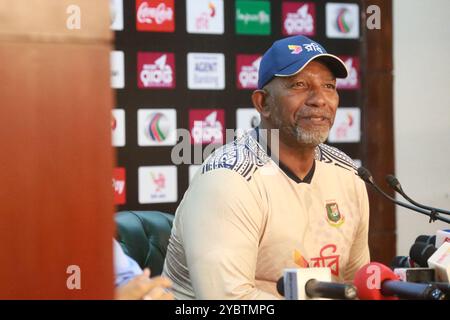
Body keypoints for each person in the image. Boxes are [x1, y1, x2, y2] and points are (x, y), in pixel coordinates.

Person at [162, 35, 370, 299]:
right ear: (263, 103)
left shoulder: (348, 174)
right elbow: (229, 302)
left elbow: (355, 284)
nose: (319, 99)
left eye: (329, 86)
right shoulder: (228, 180)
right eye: (299, 85)